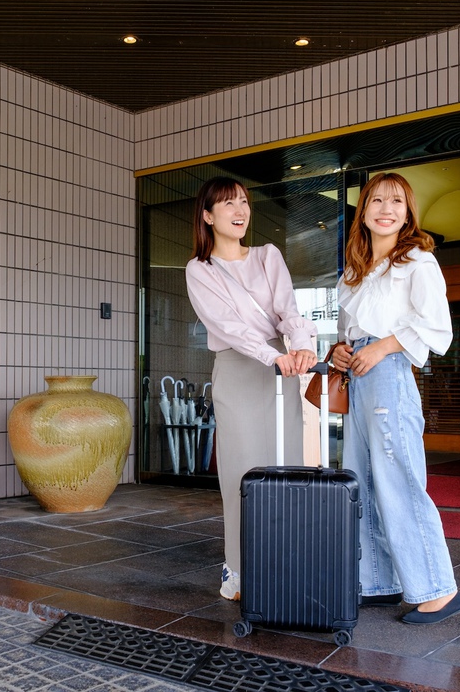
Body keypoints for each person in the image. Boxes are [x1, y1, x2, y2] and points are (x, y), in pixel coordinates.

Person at [328, 172, 460, 625]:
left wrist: (381, 346)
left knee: (400, 479)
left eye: (397, 202)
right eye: (378, 200)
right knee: (360, 479)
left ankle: (437, 590)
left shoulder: (418, 262)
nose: (387, 209)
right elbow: (349, 328)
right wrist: (341, 350)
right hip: (359, 376)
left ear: (408, 213)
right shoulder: (355, 268)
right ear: (363, 210)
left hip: (389, 374)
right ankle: (378, 581)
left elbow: (437, 328)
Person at [185, 176, 318, 601]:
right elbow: (229, 327)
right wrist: (273, 356)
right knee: (241, 471)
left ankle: (292, 559)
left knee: (289, 465)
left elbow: (287, 308)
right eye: (227, 204)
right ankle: (239, 568)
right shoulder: (199, 269)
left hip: (282, 367)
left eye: (243, 201)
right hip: (241, 370)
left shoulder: (267, 255)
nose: (240, 210)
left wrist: (301, 348)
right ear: (207, 216)